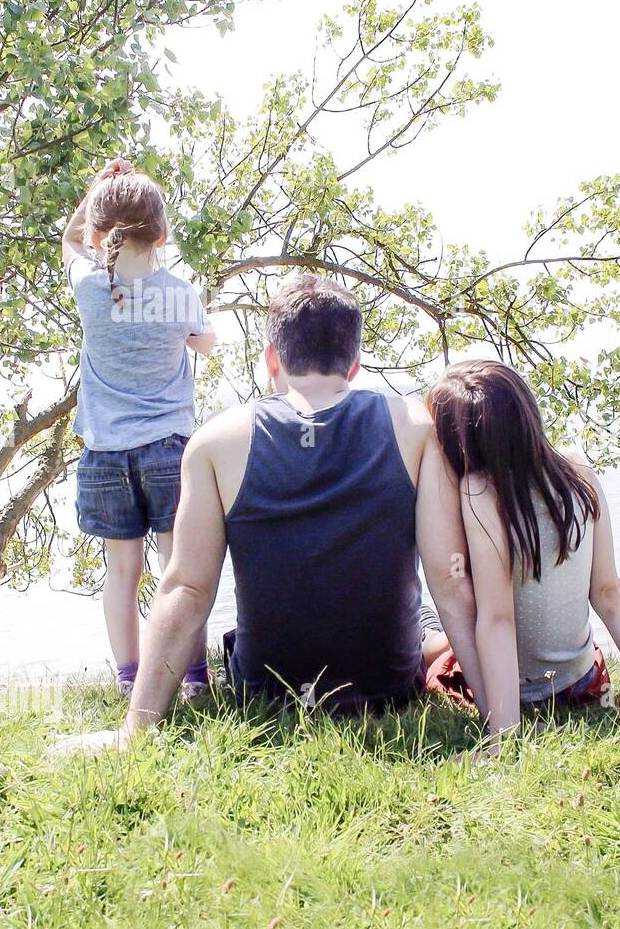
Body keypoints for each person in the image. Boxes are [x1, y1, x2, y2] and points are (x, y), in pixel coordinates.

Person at [51, 275, 486, 754]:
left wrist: (134, 731)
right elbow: (449, 580)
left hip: (268, 691)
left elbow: (187, 590)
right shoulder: (417, 426)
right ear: (354, 363)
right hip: (387, 687)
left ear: (272, 357)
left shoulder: (215, 443)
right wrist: (495, 717)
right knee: (425, 612)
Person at [423, 360, 620, 753]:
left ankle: (422, 635)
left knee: (434, 663)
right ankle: (426, 633)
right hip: (585, 684)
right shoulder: (579, 469)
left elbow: (498, 621)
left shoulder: (478, 491)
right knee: (438, 639)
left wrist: (503, 737)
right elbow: (608, 592)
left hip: (521, 695)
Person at [63, 157, 216, 697]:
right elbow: (206, 342)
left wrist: (96, 190)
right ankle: (192, 677)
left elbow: (69, 239)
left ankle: (132, 680)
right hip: (169, 450)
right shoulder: (179, 292)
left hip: (105, 453)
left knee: (121, 573)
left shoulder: (88, 286)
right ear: (164, 233)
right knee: (180, 572)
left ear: (99, 232)